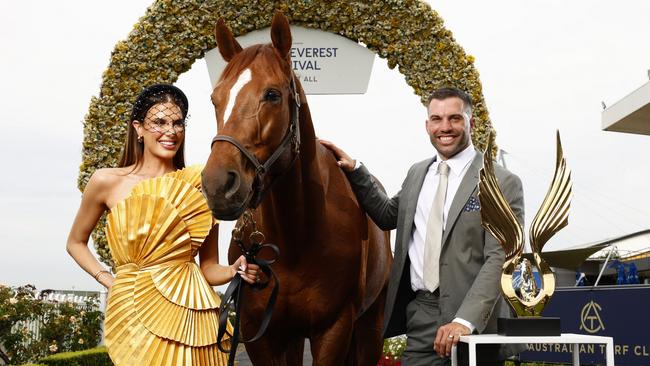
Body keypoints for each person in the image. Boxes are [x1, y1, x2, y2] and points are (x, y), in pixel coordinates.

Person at [320, 87, 524, 366]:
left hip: (476, 324)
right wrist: (356, 170)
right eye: (437, 119)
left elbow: (499, 258)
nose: (445, 127)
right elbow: (388, 214)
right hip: (422, 315)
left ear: (470, 123)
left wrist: (465, 321)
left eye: (454, 118)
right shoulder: (418, 174)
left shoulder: (501, 182)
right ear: (427, 125)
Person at [66, 84, 259, 365]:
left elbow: (207, 268)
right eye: (159, 122)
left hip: (192, 314)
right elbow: (75, 242)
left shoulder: (199, 185)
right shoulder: (106, 181)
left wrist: (233, 270)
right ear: (138, 128)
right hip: (132, 307)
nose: (170, 131)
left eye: (177, 123)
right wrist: (107, 279)